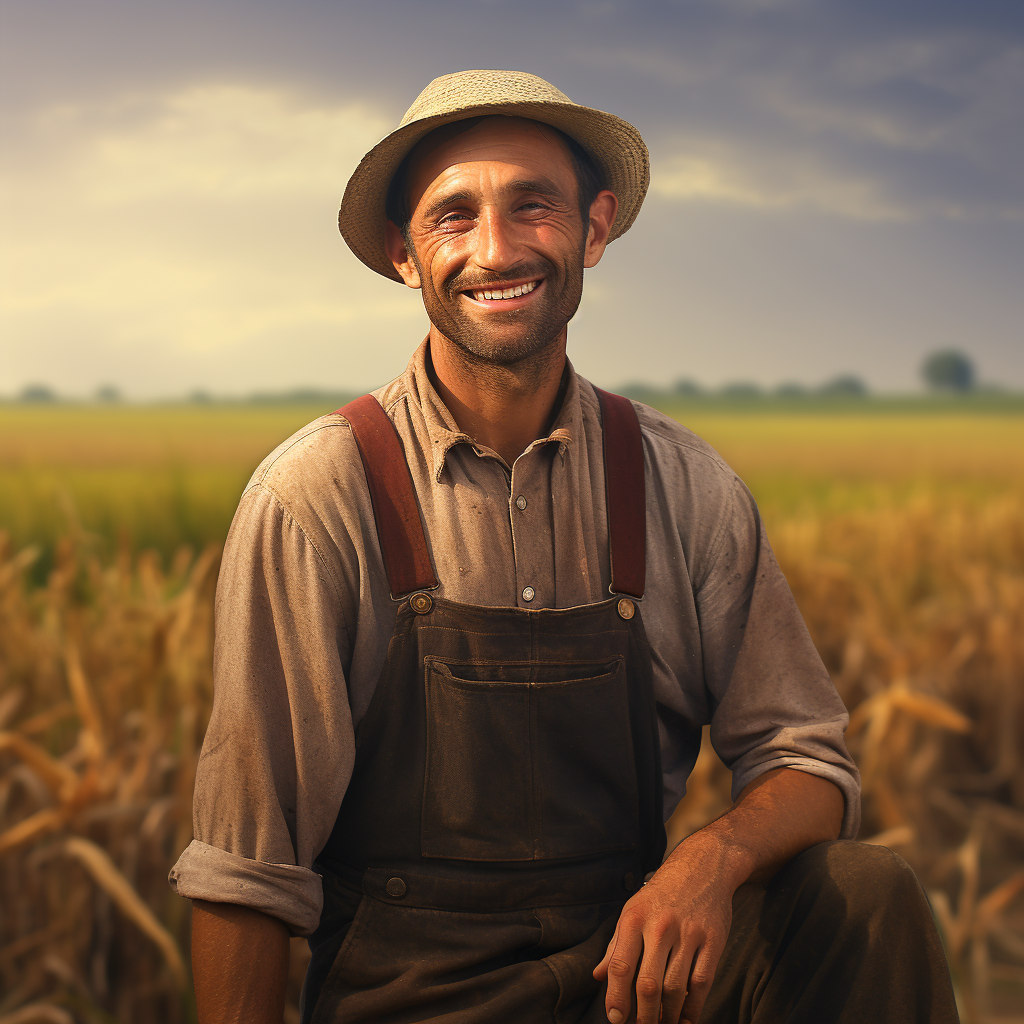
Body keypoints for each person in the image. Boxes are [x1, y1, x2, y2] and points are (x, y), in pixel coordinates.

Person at [170, 70, 959, 1024]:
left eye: (532, 205)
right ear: (403, 256)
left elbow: (810, 762)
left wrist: (709, 860)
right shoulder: (318, 495)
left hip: (630, 984)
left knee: (867, 899)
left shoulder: (683, 483)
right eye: (452, 217)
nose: (495, 249)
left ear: (593, 228)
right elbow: (247, 870)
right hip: (409, 997)